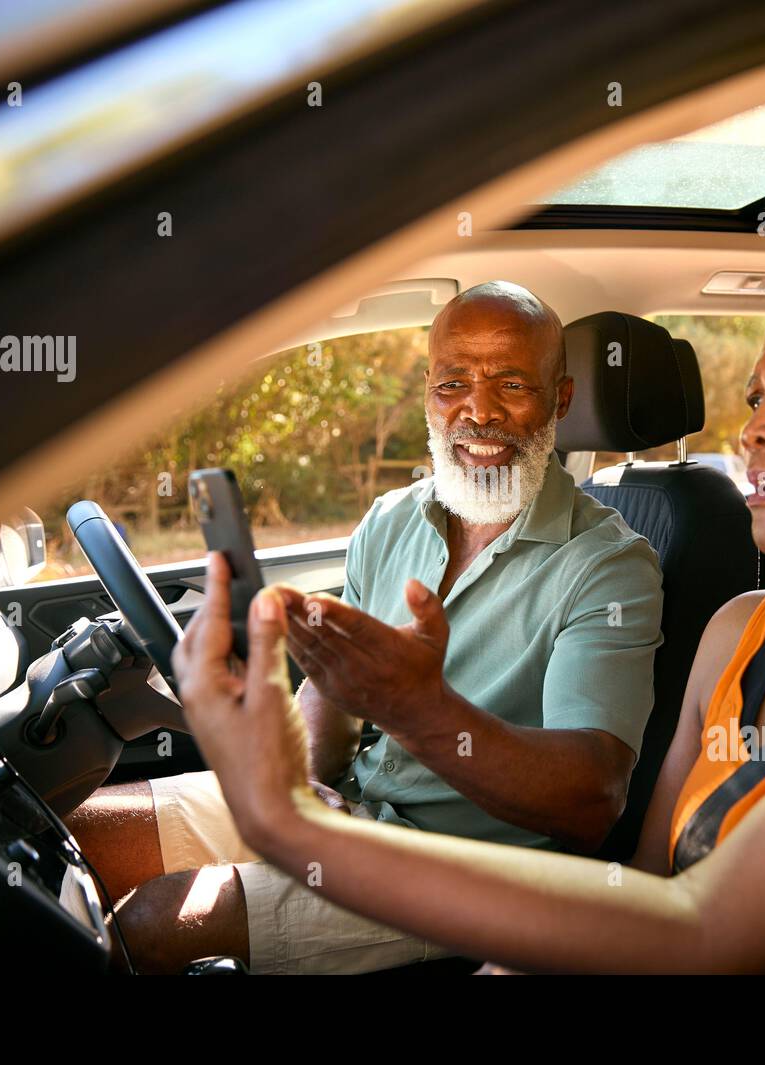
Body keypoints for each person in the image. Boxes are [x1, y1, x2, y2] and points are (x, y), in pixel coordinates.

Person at [174, 253, 765, 974]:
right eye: (756, 396)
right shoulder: (744, 626)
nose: (753, 428)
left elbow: (708, 932)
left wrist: (286, 818)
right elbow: (650, 883)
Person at [69, 281, 664, 972]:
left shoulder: (610, 565)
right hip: (348, 809)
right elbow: (329, 689)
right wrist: (305, 778)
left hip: (473, 874)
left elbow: (591, 799)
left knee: (154, 921)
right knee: (82, 836)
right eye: (453, 384)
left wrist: (418, 708)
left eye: (511, 383)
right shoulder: (389, 520)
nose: (479, 410)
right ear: (428, 395)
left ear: (559, 398)